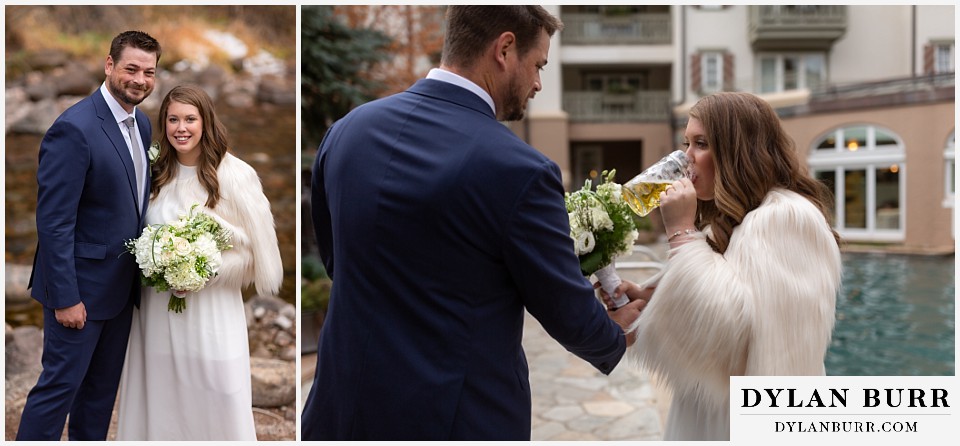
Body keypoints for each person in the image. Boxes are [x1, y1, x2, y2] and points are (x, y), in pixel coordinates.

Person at [302, 5, 646, 441]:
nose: (538, 83)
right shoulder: (521, 169)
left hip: (340, 408)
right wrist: (614, 334)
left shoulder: (347, 131)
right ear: (505, 48)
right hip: (457, 418)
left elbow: (337, 260)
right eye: (538, 64)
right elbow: (565, 308)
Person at [601, 91, 842, 440]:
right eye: (686, 143)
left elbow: (731, 334)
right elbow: (717, 306)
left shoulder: (787, 219)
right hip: (710, 411)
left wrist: (681, 232)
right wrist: (650, 299)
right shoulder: (730, 221)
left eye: (701, 143)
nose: (686, 159)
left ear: (737, 150)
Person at [115, 85, 283, 440]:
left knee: (217, 394)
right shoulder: (153, 173)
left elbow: (260, 257)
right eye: (173, 119)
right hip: (158, 311)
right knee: (163, 398)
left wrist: (203, 271)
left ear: (206, 122)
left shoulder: (235, 175)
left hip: (212, 311)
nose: (181, 128)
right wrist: (159, 261)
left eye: (190, 119)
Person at [17, 31, 160, 441]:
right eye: (131, 68)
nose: (140, 80)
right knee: (58, 391)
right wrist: (66, 298)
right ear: (109, 65)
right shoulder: (74, 129)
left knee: (99, 397)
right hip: (79, 292)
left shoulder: (143, 123)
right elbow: (54, 222)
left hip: (119, 291)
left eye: (148, 72)